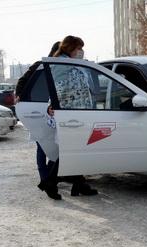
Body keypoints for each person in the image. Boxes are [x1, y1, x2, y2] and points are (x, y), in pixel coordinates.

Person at [38, 35, 98, 200]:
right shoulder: (61, 65)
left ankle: (78, 185)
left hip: (78, 113)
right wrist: (54, 107)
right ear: (70, 48)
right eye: (78, 48)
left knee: (75, 152)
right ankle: (49, 183)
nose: (81, 51)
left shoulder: (72, 65)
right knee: (70, 153)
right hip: (71, 115)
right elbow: (60, 90)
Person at [15, 42, 60, 197]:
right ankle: (45, 178)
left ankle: (51, 176)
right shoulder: (41, 65)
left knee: (55, 145)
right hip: (41, 109)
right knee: (42, 145)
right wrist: (19, 95)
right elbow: (22, 81)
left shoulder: (60, 66)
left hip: (54, 110)